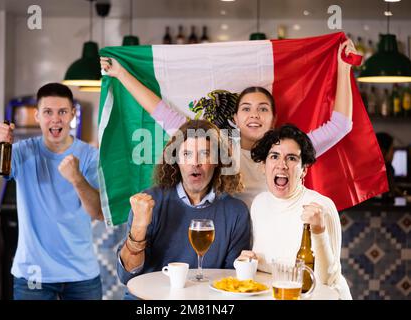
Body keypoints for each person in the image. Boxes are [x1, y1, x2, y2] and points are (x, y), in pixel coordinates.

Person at [100, 39, 358, 208]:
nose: (254, 115)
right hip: (230, 242)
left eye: (262, 109)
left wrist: (343, 68)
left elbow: (341, 125)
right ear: (235, 118)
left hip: (277, 240)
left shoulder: (288, 151)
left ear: (274, 118)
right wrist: (121, 74)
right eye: (246, 108)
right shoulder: (219, 145)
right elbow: (163, 113)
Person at [0, 83, 103, 300]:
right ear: (38, 116)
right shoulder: (23, 151)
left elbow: (98, 212)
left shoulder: (89, 156)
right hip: (33, 273)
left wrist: (77, 178)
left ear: (72, 115)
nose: (55, 119)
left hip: (81, 275)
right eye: (48, 112)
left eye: (62, 112)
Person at [117, 120, 251, 297]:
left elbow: (231, 283)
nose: (195, 163)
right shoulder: (151, 202)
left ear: (218, 161)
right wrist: (138, 228)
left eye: (205, 154)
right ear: (176, 160)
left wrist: (246, 266)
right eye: (187, 153)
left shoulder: (236, 212)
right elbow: (127, 275)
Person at [238, 124, 351, 300]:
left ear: (304, 169)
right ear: (263, 165)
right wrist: (248, 262)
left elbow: (327, 281)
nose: (281, 165)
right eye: (274, 156)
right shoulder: (258, 204)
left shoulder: (321, 206)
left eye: (291, 158)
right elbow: (266, 264)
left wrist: (319, 231)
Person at [376, 132, 402, 201]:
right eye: (392, 149)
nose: (393, 153)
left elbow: (391, 192)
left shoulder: (390, 169)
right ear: (383, 151)